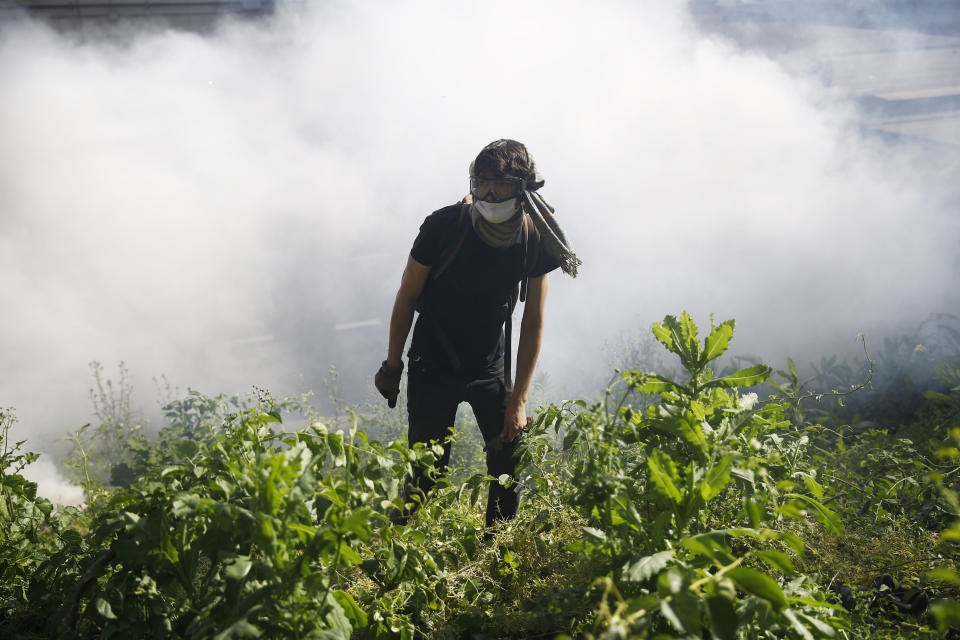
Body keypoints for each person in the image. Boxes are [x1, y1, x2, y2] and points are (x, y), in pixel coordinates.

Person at [375, 139, 579, 528]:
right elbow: (407, 296)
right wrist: (391, 364)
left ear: (522, 190)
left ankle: (495, 558)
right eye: (482, 183)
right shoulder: (442, 227)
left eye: (500, 185)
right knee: (427, 473)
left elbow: (533, 319)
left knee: (508, 463)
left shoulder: (533, 238)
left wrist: (518, 400)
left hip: (490, 366)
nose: (488, 194)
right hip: (431, 362)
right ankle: (389, 546)